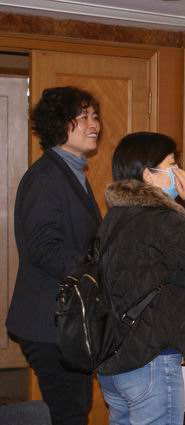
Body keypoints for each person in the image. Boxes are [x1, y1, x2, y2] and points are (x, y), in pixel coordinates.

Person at [95, 131, 185, 425]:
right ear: (149, 175)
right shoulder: (159, 219)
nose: (180, 172)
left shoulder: (115, 217)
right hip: (149, 362)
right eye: (172, 164)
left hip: (114, 360)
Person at [6, 86, 102, 425]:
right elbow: (46, 250)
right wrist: (98, 271)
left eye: (95, 116)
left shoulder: (71, 171)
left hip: (65, 319)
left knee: (74, 408)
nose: (94, 125)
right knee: (70, 412)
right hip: (48, 320)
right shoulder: (46, 177)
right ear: (59, 123)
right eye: (83, 117)